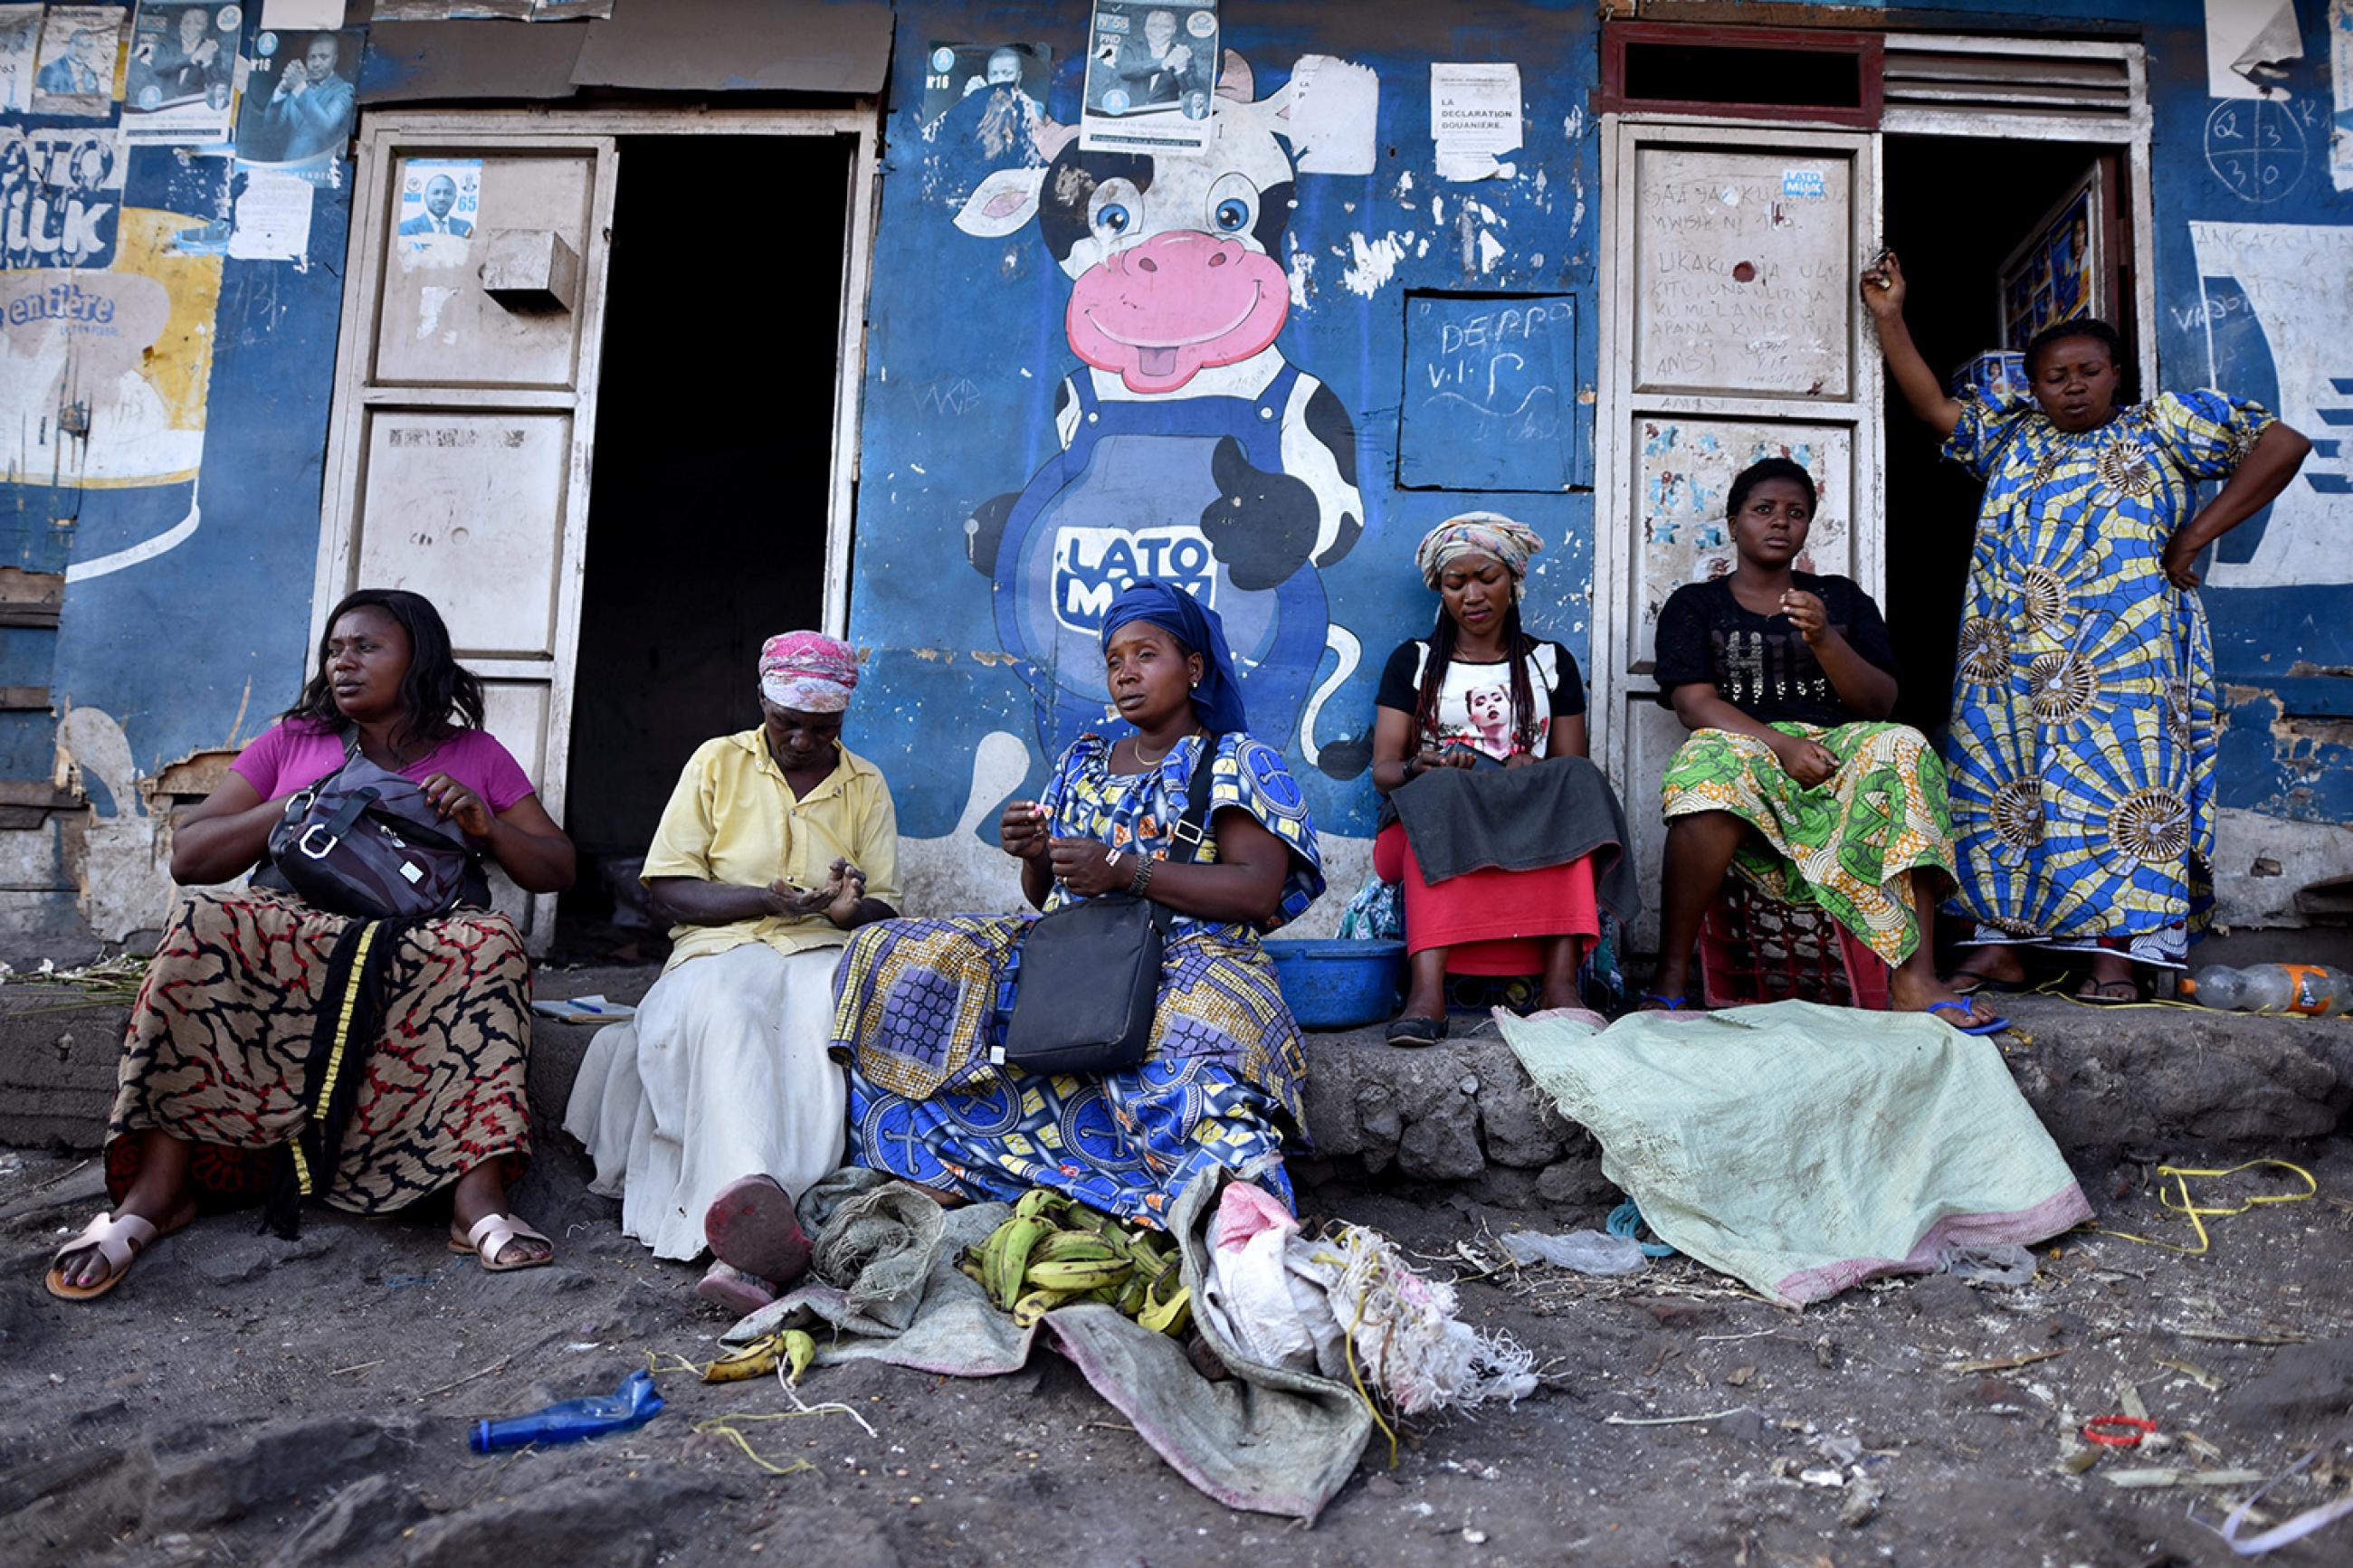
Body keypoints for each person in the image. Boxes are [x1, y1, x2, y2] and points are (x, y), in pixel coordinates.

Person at [47, 590, 577, 1301]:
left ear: (417, 658)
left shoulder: (473, 753)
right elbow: (191, 855)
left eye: (367, 647)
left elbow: (557, 866)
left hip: (413, 937)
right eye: (335, 649)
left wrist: (489, 827)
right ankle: (155, 1193)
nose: (344, 662)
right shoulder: (293, 740)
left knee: (489, 941)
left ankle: (476, 1200)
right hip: (288, 925)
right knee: (206, 920)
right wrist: (303, 801)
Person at [1862, 252, 2312, 1002]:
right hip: (2011, 656)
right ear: (2033, 386)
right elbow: (1932, 409)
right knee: (2007, 790)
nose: (2072, 386)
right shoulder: (2016, 438)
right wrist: (1889, 318)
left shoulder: (2165, 427)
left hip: (2126, 656)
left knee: (2123, 795)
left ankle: (2117, 956)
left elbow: (2283, 444)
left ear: (2117, 374)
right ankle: (2003, 947)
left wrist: (2195, 535)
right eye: (2054, 376)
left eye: (2088, 371)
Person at [828, 580, 1324, 1221]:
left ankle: (1218, 1206)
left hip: (1196, 953)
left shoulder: (1235, 759)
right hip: (1078, 949)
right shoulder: (1082, 761)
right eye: (1115, 660)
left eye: (1146, 655)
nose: (1125, 674)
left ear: (1194, 667)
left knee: (1187, 1050)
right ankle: (944, 1160)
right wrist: (1035, 852)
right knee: (893, 951)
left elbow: (1256, 890)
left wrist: (1125, 869)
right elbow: (1045, 895)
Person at [564, 632, 900, 1295]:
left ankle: (774, 1217)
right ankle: (744, 1216)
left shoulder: (866, 783)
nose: (803, 740)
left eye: (822, 728)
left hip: (819, 951)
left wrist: (846, 910)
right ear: (761, 703)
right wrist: (758, 897)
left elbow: (885, 910)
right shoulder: (718, 762)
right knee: (730, 1012)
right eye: (788, 723)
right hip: (716, 946)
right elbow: (666, 887)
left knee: (816, 1016)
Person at [1649, 459, 2004, 1032]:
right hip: (1747, 744)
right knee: (1703, 766)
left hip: (1840, 746)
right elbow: (1694, 704)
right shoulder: (1697, 605)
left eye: (1796, 513)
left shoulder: (1839, 600)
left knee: (1905, 747)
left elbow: (1879, 703)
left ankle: (1915, 978)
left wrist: (1823, 638)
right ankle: (1668, 979)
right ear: (1734, 522)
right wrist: (1780, 748)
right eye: (1763, 510)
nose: (1780, 523)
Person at [1369, 514, 1639, 1045]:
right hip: (1434, 813)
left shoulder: (1549, 663)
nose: (1472, 594)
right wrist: (1420, 766)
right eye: (1455, 583)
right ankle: (1428, 994)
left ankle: (1560, 987)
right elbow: (1383, 771)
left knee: (1577, 780)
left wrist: (1532, 768)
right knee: (1441, 789)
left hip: (1525, 816)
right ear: (1440, 591)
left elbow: (1567, 770)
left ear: (1513, 582)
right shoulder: (1415, 662)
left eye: (1486, 578)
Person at [264, 33, 354, 164]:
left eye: (323, 57)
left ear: (335, 60)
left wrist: (300, 87)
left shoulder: (345, 90)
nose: (316, 63)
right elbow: (272, 128)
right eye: (312, 57)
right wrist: (281, 90)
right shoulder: (300, 88)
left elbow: (326, 128)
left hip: (320, 173)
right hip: (288, 169)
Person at [37, 27, 107, 96]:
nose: (85, 50)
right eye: (80, 44)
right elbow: (44, 103)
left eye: (89, 46)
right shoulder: (50, 70)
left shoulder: (91, 74)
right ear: (70, 45)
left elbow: (96, 102)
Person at [398, 174, 472, 238]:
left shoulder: (465, 227)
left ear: (455, 198)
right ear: (425, 197)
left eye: (447, 193)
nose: (441, 198)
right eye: (436, 193)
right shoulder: (407, 228)